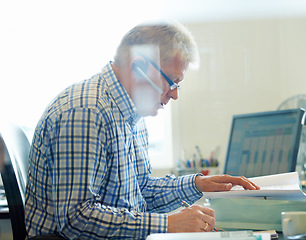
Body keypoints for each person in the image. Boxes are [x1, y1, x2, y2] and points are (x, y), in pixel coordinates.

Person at [25, 20, 260, 239]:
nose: (175, 94)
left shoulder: (132, 113)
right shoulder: (86, 111)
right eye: (172, 82)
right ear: (138, 68)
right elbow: (76, 219)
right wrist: (168, 224)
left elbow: (141, 190)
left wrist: (198, 184)